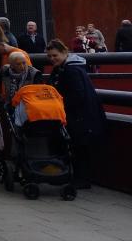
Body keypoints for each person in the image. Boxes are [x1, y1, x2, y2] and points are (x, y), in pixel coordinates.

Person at [45, 40, 106, 188]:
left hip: (80, 117)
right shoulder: (66, 68)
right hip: (78, 116)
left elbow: (78, 95)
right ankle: (76, 177)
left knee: (79, 148)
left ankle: (81, 179)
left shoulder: (71, 71)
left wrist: (60, 106)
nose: (52, 59)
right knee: (77, 147)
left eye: (55, 55)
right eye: (49, 56)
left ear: (65, 53)